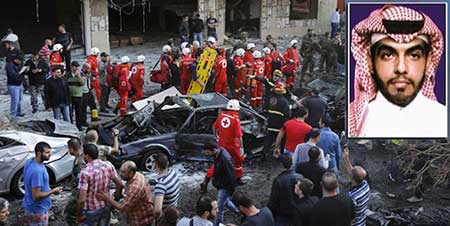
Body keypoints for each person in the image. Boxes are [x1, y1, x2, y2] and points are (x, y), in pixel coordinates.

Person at [349, 5, 447, 138]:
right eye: (388, 55)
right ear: (370, 61)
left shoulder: (442, 118)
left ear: (428, 61)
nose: (401, 68)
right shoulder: (353, 120)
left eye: (414, 55)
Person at [77, 144, 123, 226]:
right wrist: (114, 200)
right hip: (105, 205)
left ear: (87, 156)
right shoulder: (108, 165)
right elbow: (119, 184)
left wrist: (80, 214)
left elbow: (82, 200)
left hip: (91, 209)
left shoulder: (85, 172)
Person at [97, 161, 155, 226]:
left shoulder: (135, 187)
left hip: (140, 219)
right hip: (138, 212)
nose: (120, 174)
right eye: (121, 171)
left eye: (123, 172)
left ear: (131, 173)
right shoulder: (137, 175)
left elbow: (123, 208)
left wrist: (107, 198)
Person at [205, 99, 245, 186]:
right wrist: (241, 147)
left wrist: (217, 136)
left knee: (218, 163)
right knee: (238, 161)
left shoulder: (221, 115)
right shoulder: (235, 119)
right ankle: (238, 179)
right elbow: (238, 136)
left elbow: (214, 127)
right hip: (233, 146)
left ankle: (206, 180)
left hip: (221, 145)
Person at [23, 142, 63, 226]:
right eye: (47, 152)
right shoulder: (37, 171)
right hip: (38, 209)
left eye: (50, 152)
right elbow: (36, 196)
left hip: (30, 205)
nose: (50, 154)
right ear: (39, 153)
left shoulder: (30, 161)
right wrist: (53, 191)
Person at [203, 141, 239, 226]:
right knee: (224, 200)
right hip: (221, 184)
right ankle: (238, 211)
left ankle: (217, 224)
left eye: (208, 152)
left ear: (214, 150)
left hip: (225, 186)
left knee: (219, 209)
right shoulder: (218, 154)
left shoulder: (224, 159)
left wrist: (231, 189)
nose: (207, 154)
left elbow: (231, 175)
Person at [268, 155, 302, 226]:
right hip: (298, 212)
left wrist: (269, 213)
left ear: (281, 165)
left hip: (283, 214)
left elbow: (273, 200)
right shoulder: (300, 177)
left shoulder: (278, 181)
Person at [261, 81, 289, 160]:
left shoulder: (269, 98)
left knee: (269, 138)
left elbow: (264, 109)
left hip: (270, 122)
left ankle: (264, 153)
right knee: (282, 139)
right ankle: (281, 155)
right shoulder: (284, 101)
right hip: (280, 123)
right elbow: (287, 114)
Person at [342, 148, 370, 226]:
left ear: (352, 178)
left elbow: (348, 214)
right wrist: (346, 159)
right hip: (362, 221)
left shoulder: (352, 197)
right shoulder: (365, 184)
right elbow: (352, 173)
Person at [65, 138, 85, 226]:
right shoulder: (81, 156)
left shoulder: (80, 163)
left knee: (71, 216)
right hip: (78, 192)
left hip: (78, 194)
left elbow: (81, 184)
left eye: (68, 148)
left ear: (71, 149)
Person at [154, 154, 181, 221]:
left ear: (156, 166)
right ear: (167, 163)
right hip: (174, 208)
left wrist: (157, 219)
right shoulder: (173, 172)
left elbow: (157, 210)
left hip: (166, 216)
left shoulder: (161, 185)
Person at [66, 61, 85, 129]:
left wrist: (79, 76)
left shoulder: (81, 74)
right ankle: (70, 125)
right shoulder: (67, 74)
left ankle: (79, 126)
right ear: (72, 67)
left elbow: (83, 83)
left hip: (78, 96)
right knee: (70, 112)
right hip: (70, 96)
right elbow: (66, 83)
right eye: (75, 66)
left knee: (79, 112)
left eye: (77, 66)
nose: (77, 68)